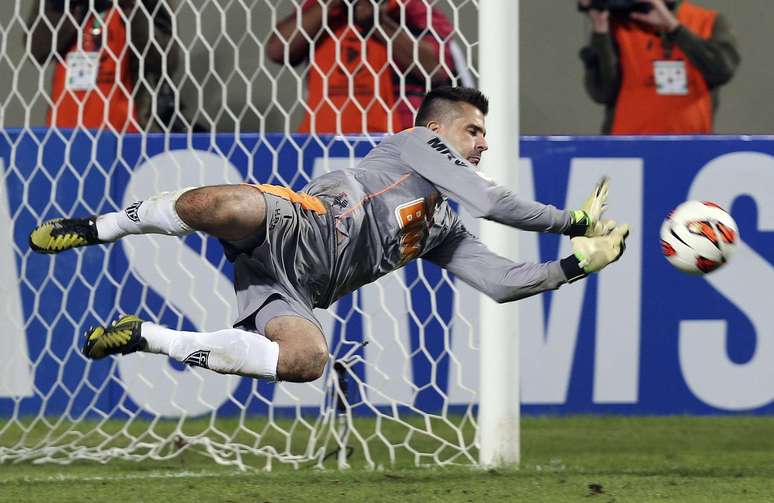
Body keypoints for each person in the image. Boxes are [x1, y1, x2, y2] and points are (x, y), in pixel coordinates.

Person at [28, 86, 630, 384]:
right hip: (300, 222)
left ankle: (147, 339)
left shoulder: (441, 226)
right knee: (217, 202)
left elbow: (501, 283)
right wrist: (569, 222)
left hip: (295, 290)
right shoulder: (412, 144)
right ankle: (97, 227)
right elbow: (488, 198)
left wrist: (577, 264)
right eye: (475, 131)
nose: (484, 144)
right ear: (439, 129)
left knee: (306, 361)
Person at [265, 0, 461, 134]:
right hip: (324, 136)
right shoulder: (322, 9)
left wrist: (377, 23)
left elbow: (437, 69)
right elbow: (277, 50)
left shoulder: (411, 8)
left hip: (397, 137)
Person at [578, 0, 740, 134]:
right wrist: (600, 27)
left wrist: (674, 27)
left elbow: (722, 69)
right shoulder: (618, 24)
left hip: (693, 148)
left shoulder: (708, 21)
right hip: (627, 149)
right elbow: (601, 92)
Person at [26, 0, 179, 132]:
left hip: (126, 134)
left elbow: (168, 60)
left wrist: (130, 9)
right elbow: (35, 49)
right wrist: (74, 8)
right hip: (63, 131)